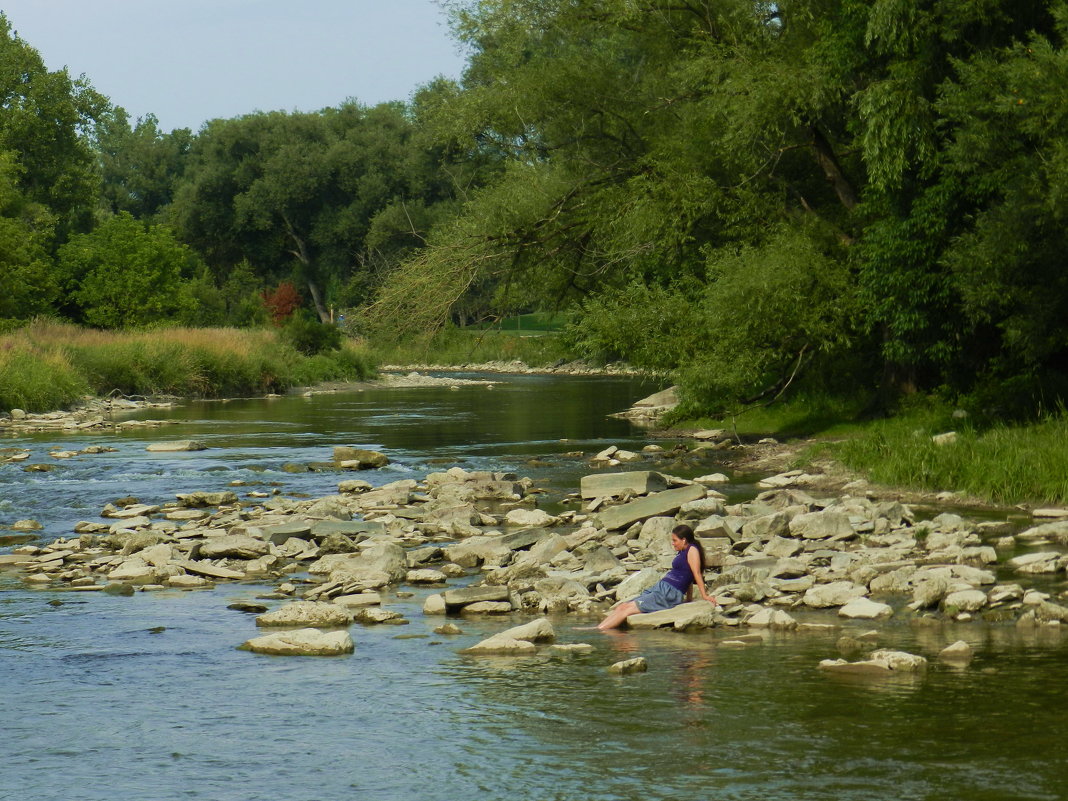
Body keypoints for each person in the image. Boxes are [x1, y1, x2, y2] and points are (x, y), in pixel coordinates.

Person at [597, 523, 716, 631]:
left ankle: (599, 631)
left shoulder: (692, 550)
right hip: (661, 588)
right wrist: (689, 598)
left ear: (684, 540)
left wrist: (704, 595)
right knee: (622, 606)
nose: (673, 543)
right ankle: (597, 628)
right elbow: (688, 575)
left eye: (675, 540)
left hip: (669, 593)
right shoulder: (682, 551)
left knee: (627, 610)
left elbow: (696, 573)